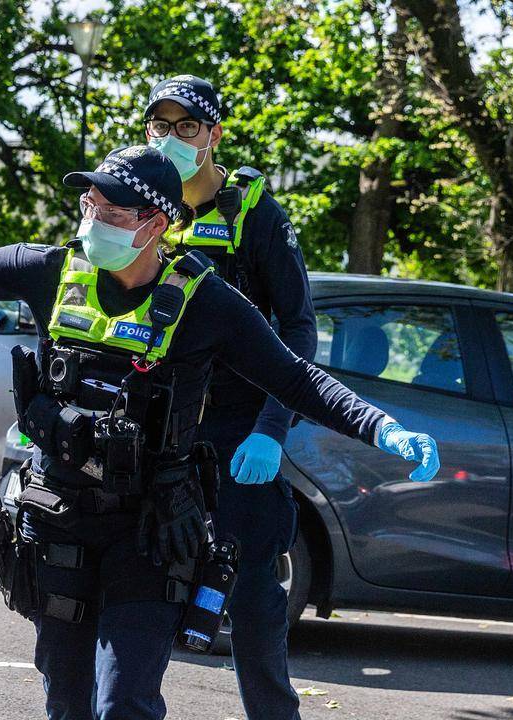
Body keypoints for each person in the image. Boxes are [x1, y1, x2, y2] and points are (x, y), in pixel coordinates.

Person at [0, 145, 439, 720]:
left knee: (125, 703)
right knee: (67, 702)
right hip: (58, 518)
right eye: (90, 206)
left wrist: (383, 429)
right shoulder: (50, 270)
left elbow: (296, 378)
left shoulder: (205, 301)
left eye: (113, 213)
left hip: (149, 530)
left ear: (156, 224)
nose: (94, 221)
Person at [145, 74, 312, 720]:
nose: (172, 138)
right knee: (139, 591)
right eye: (160, 125)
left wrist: (272, 427)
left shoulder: (254, 214)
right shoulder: (140, 199)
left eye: (187, 126)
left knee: (251, 596)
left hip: (239, 430)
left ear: (214, 134)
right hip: (162, 427)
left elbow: (298, 325)